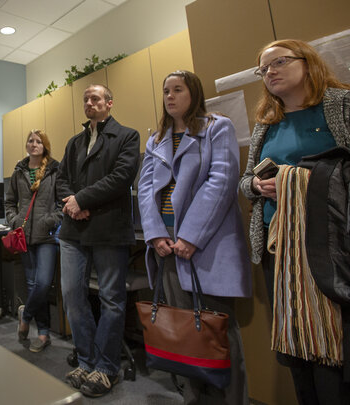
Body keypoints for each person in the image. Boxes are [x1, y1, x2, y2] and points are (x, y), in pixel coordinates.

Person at [239, 39, 350, 405]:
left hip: (330, 246)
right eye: (264, 68)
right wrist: (256, 184)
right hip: (278, 247)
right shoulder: (266, 123)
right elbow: (245, 180)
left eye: (279, 62)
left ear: (307, 62)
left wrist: (299, 180)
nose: (270, 72)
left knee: (333, 344)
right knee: (295, 343)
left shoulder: (339, 104)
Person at [138, 70, 252, 404]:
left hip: (207, 244)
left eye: (178, 90)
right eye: (165, 91)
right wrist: (156, 235)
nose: (170, 96)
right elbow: (145, 189)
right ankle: (193, 399)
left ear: (194, 93)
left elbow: (222, 181)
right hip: (168, 246)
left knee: (217, 333)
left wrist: (190, 236)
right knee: (184, 332)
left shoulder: (217, 127)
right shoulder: (156, 139)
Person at [56, 84, 139, 397]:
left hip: (108, 229)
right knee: (72, 295)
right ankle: (87, 360)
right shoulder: (75, 142)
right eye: (86, 99)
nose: (89, 103)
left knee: (111, 299)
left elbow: (122, 177)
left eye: (95, 98)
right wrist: (71, 203)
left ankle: (106, 368)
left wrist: (82, 199)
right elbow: (61, 178)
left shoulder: (127, 136)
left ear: (109, 103)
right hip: (73, 230)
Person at [4, 129, 62, 353]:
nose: (34, 144)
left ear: (45, 146)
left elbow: (61, 204)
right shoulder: (19, 170)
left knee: (44, 283)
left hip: (46, 236)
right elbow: (9, 202)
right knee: (31, 284)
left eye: (38, 141)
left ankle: (25, 314)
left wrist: (50, 221)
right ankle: (44, 333)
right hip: (24, 236)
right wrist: (14, 220)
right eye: (30, 140)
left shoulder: (55, 170)